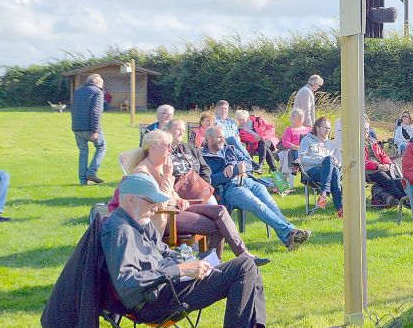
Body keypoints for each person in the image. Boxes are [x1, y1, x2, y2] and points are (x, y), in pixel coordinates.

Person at [100, 172, 296, 328]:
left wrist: (189, 262)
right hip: (153, 303)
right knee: (244, 267)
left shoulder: (140, 223)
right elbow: (127, 282)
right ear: (130, 200)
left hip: (168, 288)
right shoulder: (120, 231)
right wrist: (180, 270)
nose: (156, 208)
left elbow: (164, 251)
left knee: (246, 267)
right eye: (151, 201)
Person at [124, 130, 267, 264]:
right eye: (167, 146)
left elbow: (171, 193)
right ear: (152, 148)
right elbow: (160, 203)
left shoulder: (158, 166)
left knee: (220, 210)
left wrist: (179, 199)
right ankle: (214, 263)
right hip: (165, 217)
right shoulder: (143, 172)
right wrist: (168, 175)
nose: (171, 149)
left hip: (176, 208)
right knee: (217, 226)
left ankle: (242, 254)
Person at [203, 127, 310, 251]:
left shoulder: (228, 148)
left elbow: (248, 162)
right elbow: (210, 179)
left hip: (249, 181)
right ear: (209, 139)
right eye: (219, 137)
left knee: (271, 204)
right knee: (258, 205)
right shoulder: (204, 158)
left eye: (223, 136)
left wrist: (241, 166)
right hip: (230, 188)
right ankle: (290, 232)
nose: (223, 139)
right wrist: (234, 171)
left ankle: (288, 237)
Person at [299, 116, 343, 217]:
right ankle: (339, 207)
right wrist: (323, 160)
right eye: (325, 128)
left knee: (334, 168)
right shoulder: (307, 140)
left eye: (329, 128)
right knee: (329, 160)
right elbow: (302, 159)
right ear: (317, 128)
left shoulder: (332, 144)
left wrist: (336, 162)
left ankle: (324, 194)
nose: (328, 130)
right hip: (311, 171)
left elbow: (340, 162)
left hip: (329, 172)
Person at [71, 73, 106, 185]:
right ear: (96, 82)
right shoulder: (97, 92)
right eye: (101, 83)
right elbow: (96, 112)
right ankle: (91, 172)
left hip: (77, 127)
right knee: (101, 147)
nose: (102, 86)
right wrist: (95, 130)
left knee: (83, 152)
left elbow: (73, 109)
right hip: (89, 128)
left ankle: (83, 180)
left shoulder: (78, 92)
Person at [364, 117, 405, 207]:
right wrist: (378, 166)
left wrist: (387, 163)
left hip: (381, 167)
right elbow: (361, 161)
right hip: (368, 170)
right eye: (363, 129)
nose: (366, 131)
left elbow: (383, 155)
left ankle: (409, 199)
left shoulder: (372, 141)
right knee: (389, 181)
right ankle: (405, 201)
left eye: (367, 129)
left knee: (398, 179)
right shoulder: (356, 143)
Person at [213, 100, 256, 167]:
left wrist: (237, 142)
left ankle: (247, 167)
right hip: (222, 143)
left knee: (234, 140)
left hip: (234, 145)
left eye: (225, 109)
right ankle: (250, 161)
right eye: (221, 109)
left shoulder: (231, 121)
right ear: (217, 110)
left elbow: (237, 135)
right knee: (232, 139)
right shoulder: (214, 120)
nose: (224, 111)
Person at [280, 108, 311, 175]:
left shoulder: (309, 130)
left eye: (302, 115)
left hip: (309, 150)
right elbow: (285, 142)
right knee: (297, 151)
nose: (301, 117)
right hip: (296, 150)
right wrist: (295, 147)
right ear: (293, 117)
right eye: (299, 115)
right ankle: (297, 165)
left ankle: (296, 166)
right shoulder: (289, 130)